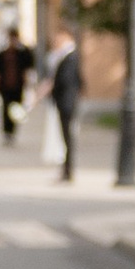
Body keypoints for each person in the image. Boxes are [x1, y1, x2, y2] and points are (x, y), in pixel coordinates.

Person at [46, 25, 84, 183]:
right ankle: (66, 170)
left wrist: (54, 87)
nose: (56, 41)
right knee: (65, 137)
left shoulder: (71, 57)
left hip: (66, 102)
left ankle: (68, 171)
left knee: (67, 137)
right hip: (66, 101)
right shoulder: (67, 56)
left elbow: (67, 80)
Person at [0, 29, 31, 142]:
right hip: (5, 87)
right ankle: (6, 132)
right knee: (6, 109)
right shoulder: (3, 54)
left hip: (17, 86)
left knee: (15, 109)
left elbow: (27, 70)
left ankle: (12, 131)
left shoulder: (23, 53)